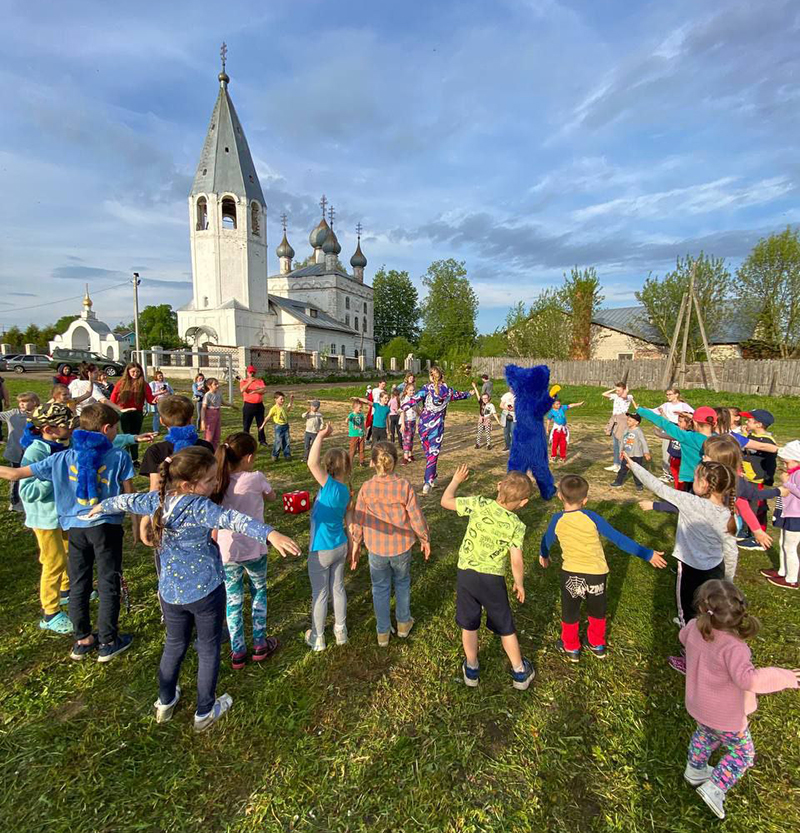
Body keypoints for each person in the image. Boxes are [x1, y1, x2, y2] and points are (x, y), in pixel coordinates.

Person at [80, 446, 300, 730]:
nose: (214, 484)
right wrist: (270, 532)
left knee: (174, 644)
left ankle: (165, 700)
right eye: (209, 481)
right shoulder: (199, 507)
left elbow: (127, 500)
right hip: (205, 593)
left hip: (170, 593)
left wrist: (100, 506)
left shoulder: (159, 499)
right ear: (188, 485)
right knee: (208, 649)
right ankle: (205, 711)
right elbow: (236, 520)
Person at [0, 404, 135, 662]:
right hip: (106, 527)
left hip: (74, 529)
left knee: (78, 583)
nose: (117, 432)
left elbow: (16, 474)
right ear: (107, 429)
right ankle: (108, 640)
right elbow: (129, 497)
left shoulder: (62, 458)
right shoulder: (119, 457)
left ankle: (82, 639)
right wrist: (137, 525)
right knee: (108, 582)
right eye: (116, 428)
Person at [680, 579, 799, 820]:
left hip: (699, 705)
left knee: (705, 734)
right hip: (727, 715)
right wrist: (785, 676)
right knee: (742, 754)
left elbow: (683, 637)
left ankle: (695, 769)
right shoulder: (735, 647)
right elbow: (749, 681)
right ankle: (715, 787)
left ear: (703, 608)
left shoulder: (693, 627)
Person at [625, 453, 737, 671]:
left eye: (695, 479)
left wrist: (632, 465)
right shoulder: (726, 514)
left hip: (689, 570)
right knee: (711, 610)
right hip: (716, 570)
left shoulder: (689, 502)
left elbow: (657, 487)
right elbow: (731, 552)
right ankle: (714, 646)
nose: (691, 483)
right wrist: (728, 581)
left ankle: (691, 658)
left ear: (704, 484)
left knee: (687, 611)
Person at [540, 473, 665, 662]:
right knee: (597, 611)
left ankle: (571, 646)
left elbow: (546, 541)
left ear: (560, 496)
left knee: (570, 612)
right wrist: (647, 554)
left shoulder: (557, 520)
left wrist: (544, 555)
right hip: (597, 575)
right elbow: (618, 539)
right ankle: (597, 644)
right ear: (586, 500)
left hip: (571, 575)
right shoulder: (592, 517)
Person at [440, 465, 536, 688]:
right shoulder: (517, 525)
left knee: (469, 624)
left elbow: (445, 501)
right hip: (492, 579)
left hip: (466, 574)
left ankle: (472, 668)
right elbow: (516, 560)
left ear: (498, 486)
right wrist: (519, 582)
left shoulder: (479, 503)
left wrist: (455, 481)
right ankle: (519, 671)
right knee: (505, 625)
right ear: (523, 503)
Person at [351, 442, 430, 646]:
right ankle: (403, 623)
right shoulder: (403, 486)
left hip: (376, 548)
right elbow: (415, 517)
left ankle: (383, 632)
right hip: (401, 546)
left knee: (380, 587)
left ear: (372, 463)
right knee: (402, 583)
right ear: (394, 463)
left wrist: (356, 544)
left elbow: (358, 518)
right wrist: (424, 537)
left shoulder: (367, 488)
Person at [212, 433, 280, 668]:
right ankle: (260, 642)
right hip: (255, 548)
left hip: (228, 551)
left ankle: (237, 650)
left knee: (233, 600)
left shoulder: (217, 481)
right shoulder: (256, 478)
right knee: (258, 592)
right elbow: (271, 497)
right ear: (249, 457)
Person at [19, 403, 77, 634]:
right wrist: (53, 474)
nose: (72, 428)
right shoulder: (36, 451)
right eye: (66, 425)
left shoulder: (62, 443)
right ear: (50, 428)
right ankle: (50, 612)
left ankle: (65, 591)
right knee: (52, 562)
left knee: (67, 554)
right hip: (45, 518)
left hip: (62, 513)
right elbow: (27, 491)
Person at [305, 424, 352, 651]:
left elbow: (311, 463)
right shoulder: (345, 489)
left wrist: (321, 435)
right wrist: (354, 546)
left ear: (329, 468)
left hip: (320, 548)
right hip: (340, 545)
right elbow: (349, 518)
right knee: (338, 588)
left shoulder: (330, 486)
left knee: (320, 593)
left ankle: (318, 637)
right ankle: (340, 631)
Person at [400, 366, 477, 495]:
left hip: (423, 426)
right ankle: (429, 480)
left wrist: (401, 408)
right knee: (433, 453)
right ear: (442, 375)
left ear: (431, 377)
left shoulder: (426, 388)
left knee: (429, 454)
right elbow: (460, 395)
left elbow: (414, 400)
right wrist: (470, 393)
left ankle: (429, 479)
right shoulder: (448, 390)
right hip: (436, 426)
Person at [637, 404, 718, 490]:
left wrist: (642, 411)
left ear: (693, 422)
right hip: (711, 478)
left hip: (691, 479)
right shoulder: (718, 439)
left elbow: (664, 423)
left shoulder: (687, 437)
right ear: (715, 423)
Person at [764, 440, 800, 590]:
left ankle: (791, 579)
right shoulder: (793, 473)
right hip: (788, 513)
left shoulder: (798, 474)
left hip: (796, 516)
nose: (785, 466)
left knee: (790, 546)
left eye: (787, 463)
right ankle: (782, 571)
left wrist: (788, 483)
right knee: (782, 543)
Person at [1, 391, 40, 512]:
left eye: (25, 402)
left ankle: (30, 497)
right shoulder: (12, 414)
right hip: (16, 452)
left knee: (32, 476)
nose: (21, 405)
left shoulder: (39, 414)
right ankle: (15, 502)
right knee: (15, 478)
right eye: (20, 402)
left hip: (32, 452)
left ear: (34, 402)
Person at [110, 362, 155, 464]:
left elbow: (150, 399)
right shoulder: (121, 383)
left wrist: (156, 400)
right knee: (125, 435)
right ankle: (125, 458)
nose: (135, 374)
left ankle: (135, 459)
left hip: (137, 413)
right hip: (124, 413)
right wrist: (114, 409)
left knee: (136, 435)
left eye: (138, 372)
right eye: (133, 371)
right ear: (128, 372)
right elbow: (113, 397)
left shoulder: (143, 384)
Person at [654, 389, 694, 480]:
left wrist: (684, 415)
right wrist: (642, 410)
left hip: (679, 430)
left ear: (676, 395)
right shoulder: (665, 405)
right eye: (667, 394)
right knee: (665, 451)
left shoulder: (683, 405)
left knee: (677, 451)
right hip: (667, 429)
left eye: (670, 394)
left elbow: (694, 414)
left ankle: (680, 473)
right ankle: (667, 473)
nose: (668, 396)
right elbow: (654, 411)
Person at [609, 413, 651, 490]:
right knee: (623, 469)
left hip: (637, 455)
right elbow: (622, 441)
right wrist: (621, 451)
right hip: (627, 454)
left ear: (636, 422)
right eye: (628, 420)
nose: (628, 422)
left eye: (630, 420)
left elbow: (643, 442)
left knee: (637, 471)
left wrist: (646, 452)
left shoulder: (638, 431)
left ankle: (638, 485)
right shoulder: (626, 430)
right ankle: (618, 482)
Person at [601, 381, 633, 472]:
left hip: (622, 420)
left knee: (621, 443)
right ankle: (616, 464)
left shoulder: (629, 397)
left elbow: (624, 396)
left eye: (619, 390)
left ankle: (622, 464)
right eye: (616, 390)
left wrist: (626, 391)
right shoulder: (615, 396)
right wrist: (614, 389)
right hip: (615, 419)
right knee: (615, 444)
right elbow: (603, 394)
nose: (617, 392)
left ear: (624, 390)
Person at [545, 395, 585, 464]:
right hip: (556, 429)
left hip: (563, 429)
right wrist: (547, 429)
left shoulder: (562, 408)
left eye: (559, 403)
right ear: (553, 405)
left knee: (563, 444)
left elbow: (570, 405)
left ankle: (562, 457)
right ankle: (553, 456)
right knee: (555, 444)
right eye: (557, 404)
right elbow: (548, 420)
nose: (559, 405)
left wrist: (578, 404)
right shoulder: (551, 412)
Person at [261, 391, 294, 462]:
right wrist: (262, 425)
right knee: (278, 442)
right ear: (276, 399)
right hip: (278, 427)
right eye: (281, 399)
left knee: (286, 441)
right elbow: (268, 417)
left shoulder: (283, 407)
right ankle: (275, 455)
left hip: (285, 426)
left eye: (283, 399)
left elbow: (289, 408)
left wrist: (291, 400)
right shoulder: (274, 408)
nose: (283, 400)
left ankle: (287, 455)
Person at [240, 365, 268, 447]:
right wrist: (249, 382)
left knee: (260, 423)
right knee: (246, 424)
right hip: (249, 405)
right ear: (247, 373)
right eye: (250, 372)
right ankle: (245, 440)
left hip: (259, 405)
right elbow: (242, 390)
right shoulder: (244, 381)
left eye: (253, 372)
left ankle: (262, 440)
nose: (252, 374)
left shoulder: (259, 381)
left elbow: (263, 390)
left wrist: (254, 391)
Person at [200, 377, 223, 450]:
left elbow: (223, 402)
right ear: (209, 386)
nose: (217, 386)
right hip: (210, 415)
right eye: (215, 384)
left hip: (217, 414)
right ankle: (206, 451)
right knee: (209, 435)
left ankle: (214, 451)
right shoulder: (207, 395)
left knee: (217, 435)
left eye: (217, 384)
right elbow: (203, 409)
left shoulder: (218, 393)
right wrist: (202, 422)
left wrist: (232, 405)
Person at [399, 382, 418, 464]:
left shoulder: (414, 399)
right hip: (406, 422)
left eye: (413, 390)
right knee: (407, 439)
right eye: (410, 390)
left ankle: (410, 455)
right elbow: (402, 412)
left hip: (413, 421)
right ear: (406, 390)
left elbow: (417, 409)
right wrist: (403, 424)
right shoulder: (405, 400)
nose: (412, 392)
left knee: (411, 438)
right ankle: (405, 457)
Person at [347, 398, 366, 466]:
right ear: (354, 408)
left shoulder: (361, 415)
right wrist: (347, 420)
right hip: (354, 435)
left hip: (361, 434)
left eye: (361, 407)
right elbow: (348, 419)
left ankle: (361, 461)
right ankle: (350, 462)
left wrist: (364, 432)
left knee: (361, 449)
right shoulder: (352, 415)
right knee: (353, 450)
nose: (361, 409)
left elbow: (363, 424)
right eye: (360, 407)